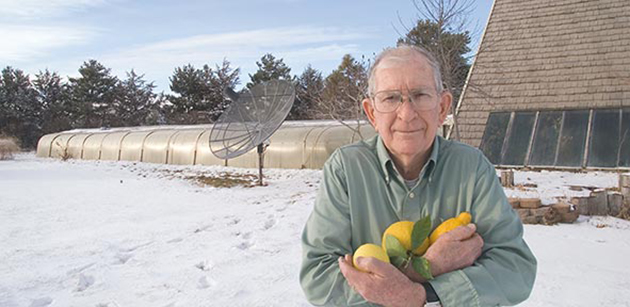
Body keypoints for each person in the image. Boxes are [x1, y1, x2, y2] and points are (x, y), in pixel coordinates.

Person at [299, 44, 537, 307]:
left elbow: (515, 268)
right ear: (371, 112)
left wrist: (424, 295)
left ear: (443, 106)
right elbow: (319, 276)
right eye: (390, 98)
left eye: (420, 95)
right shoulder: (345, 168)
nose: (407, 114)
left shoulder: (472, 167)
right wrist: (427, 268)